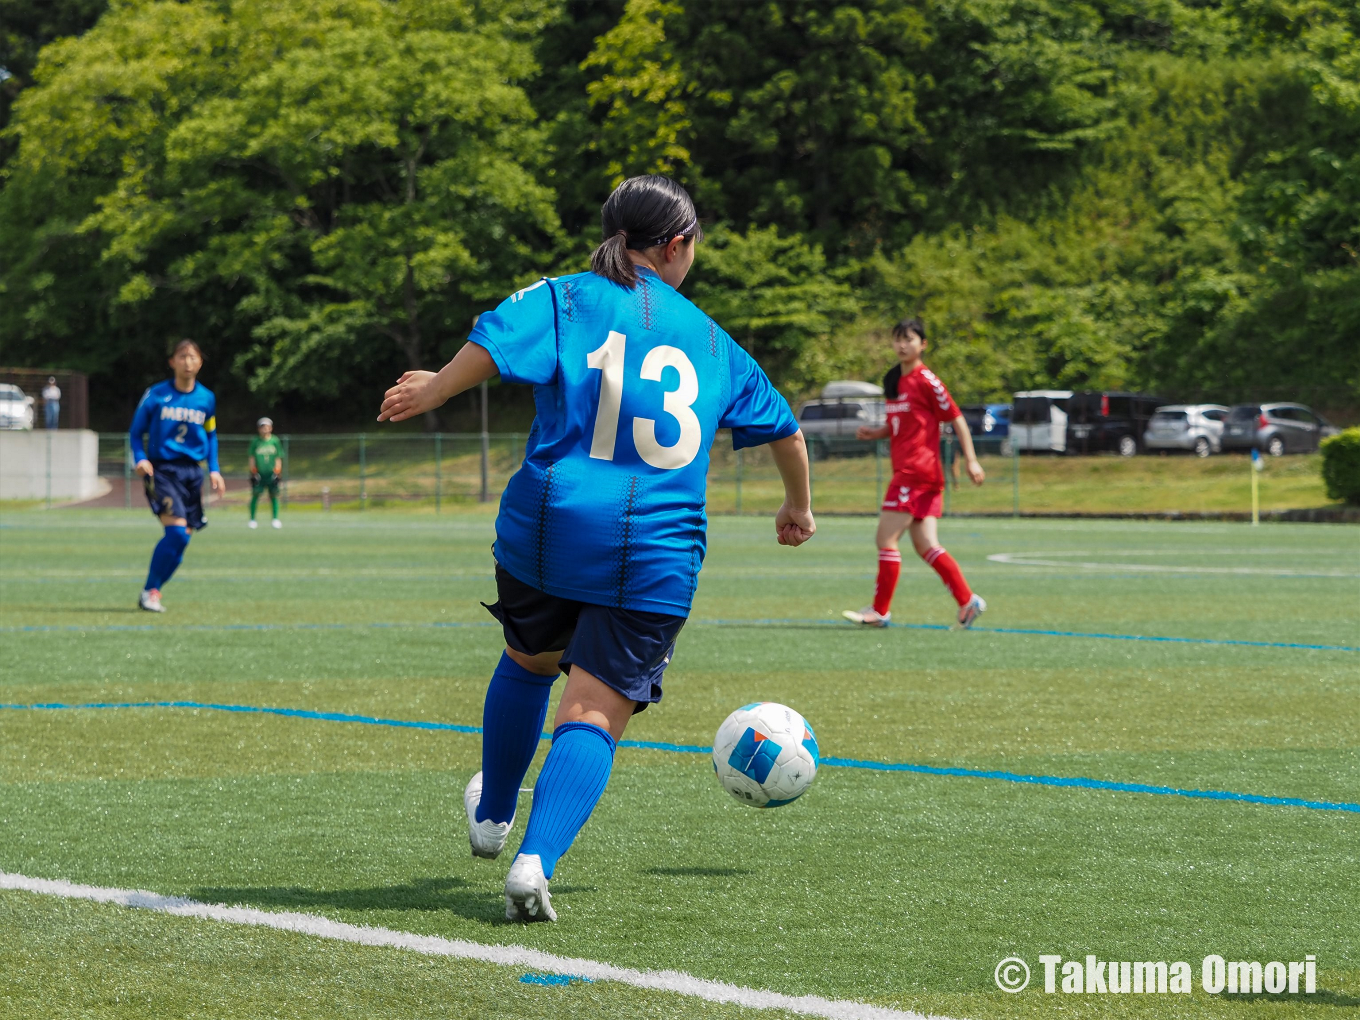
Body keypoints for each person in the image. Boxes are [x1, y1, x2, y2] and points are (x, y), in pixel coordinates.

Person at [377, 174, 815, 923]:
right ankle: (534, 863)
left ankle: (492, 815)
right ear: (676, 245)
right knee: (592, 710)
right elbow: (786, 431)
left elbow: (493, 344)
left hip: (549, 528)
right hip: (655, 552)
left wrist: (436, 390)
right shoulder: (715, 341)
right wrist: (796, 505)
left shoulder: (564, 297)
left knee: (528, 662)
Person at [842, 317, 987, 629]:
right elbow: (900, 424)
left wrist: (972, 460)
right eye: (897, 338)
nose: (902, 345)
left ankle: (879, 611)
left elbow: (956, 418)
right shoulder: (895, 380)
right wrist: (877, 432)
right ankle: (967, 601)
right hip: (917, 473)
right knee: (926, 545)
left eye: (909, 339)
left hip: (916, 472)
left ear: (923, 345)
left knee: (885, 538)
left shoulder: (927, 380)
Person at [128, 340, 225, 612]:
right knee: (177, 535)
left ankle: (152, 591)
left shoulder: (206, 398)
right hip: (163, 471)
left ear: (200, 362)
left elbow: (211, 434)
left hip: (192, 473)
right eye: (182, 356)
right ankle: (150, 591)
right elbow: (135, 432)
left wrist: (214, 468)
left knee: (182, 542)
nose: (187, 362)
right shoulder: (156, 394)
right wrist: (140, 458)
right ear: (172, 362)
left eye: (192, 357)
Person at [247, 417, 283, 529]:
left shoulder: (275, 441)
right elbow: (252, 457)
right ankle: (252, 519)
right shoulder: (255, 441)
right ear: (259, 429)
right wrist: (253, 472)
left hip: (271, 474)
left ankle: (275, 519)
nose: (265, 429)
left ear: (271, 428)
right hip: (259, 474)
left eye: (267, 427)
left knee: (274, 495)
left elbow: (278, 457)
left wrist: (277, 472)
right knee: (255, 495)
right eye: (262, 427)